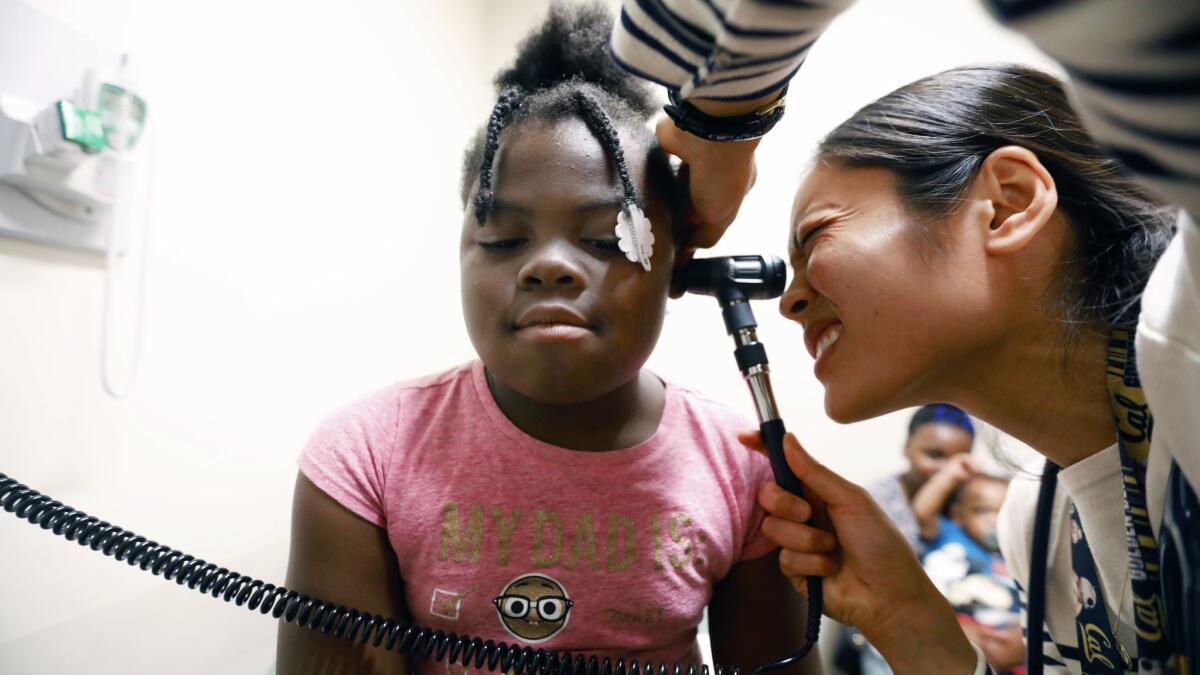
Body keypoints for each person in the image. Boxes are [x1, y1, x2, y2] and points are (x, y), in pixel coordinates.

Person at [610, 1, 1200, 673]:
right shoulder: (1037, 527)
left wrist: (721, 123)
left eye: (818, 235)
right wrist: (908, 619)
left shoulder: (1191, 341)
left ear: (1006, 203)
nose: (792, 300)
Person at [276, 5, 818, 675]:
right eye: (505, 240)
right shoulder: (364, 454)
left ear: (678, 261)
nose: (550, 265)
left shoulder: (743, 468)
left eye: (601, 239)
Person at [868, 404, 976, 558]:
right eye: (935, 455)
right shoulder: (876, 502)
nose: (948, 470)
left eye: (957, 460)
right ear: (907, 447)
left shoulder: (965, 499)